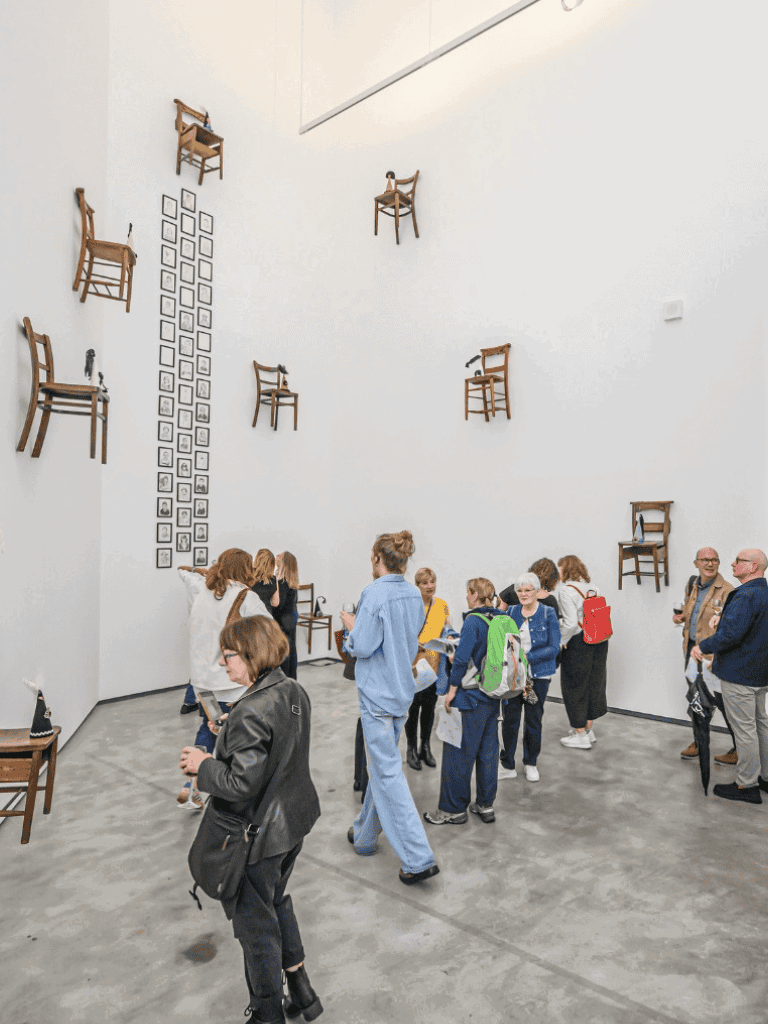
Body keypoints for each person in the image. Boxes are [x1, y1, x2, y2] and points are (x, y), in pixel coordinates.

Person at [180, 615, 322, 1024]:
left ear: (251, 654)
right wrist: (229, 730)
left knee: (256, 931)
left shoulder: (250, 711)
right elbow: (275, 742)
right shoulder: (291, 689)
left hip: (257, 838)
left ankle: (266, 1014)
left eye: (229, 656)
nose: (224, 664)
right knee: (276, 903)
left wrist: (204, 762)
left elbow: (240, 783)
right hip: (292, 825)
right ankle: (302, 992)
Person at [340, 531, 439, 885]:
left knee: (386, 774)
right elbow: (408, 639)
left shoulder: (374, 593)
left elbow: (363, 646)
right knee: (381, 768)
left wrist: (351, 629)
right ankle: (365, 836)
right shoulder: (414, 594)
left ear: (376, 558)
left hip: (377, 697)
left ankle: (418, 857)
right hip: (401, 693)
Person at [178, 549, 270, 807]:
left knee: (210, 729)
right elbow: (270, 630)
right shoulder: (245, 597)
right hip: (230, 684)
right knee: (239, 733)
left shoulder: (202, 595)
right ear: (245, 569)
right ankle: (238, 790)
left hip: (201, 684)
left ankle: (193, 786)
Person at [424, 577, 509, 825]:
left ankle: (453, 810)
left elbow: (461, 659)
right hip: (493, 697)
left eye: (467, 593)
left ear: (474, 595)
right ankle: (485, 805)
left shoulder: (473, 620)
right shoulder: (499, 619)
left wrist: (451, 690)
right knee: (488, 754)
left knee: (457, 754)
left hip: (469, 697)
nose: (466, 597)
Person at [692, 549, 768, 805]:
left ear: (753, 566)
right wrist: (723, 619)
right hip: (759, 673)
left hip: (740, 674)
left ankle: (747, 785)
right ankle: (765, 778)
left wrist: (702, 647)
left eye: (739, 561)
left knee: (745, 731)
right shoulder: (764, 593)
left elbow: (732, 636)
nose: (733, 564)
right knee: (760, 726)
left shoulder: (745, 595)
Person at [673, 547, 735, 763]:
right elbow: (694, 614)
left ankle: (739, 747)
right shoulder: (693, 585)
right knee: (696, 698)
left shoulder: (728, 591)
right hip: (691, 652)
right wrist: (682, 618)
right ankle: (699, 742)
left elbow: (730, 629)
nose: (710, 564)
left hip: (712, 657)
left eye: (714, 560)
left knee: (724, 702)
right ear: (696, 563)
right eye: (705, 560)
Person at [499, 573, 561, 782]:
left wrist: (527, 657)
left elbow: (554, 648)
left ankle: (530, 763)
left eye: (528, 590)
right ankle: (507, 764)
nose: (523, 594)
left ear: (537, 592)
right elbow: (503, 639)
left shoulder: (548, 613)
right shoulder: (512, 611)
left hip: (535, 679)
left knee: (533, 720)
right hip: (514, 678)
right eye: (520, 591)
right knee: (510, 721)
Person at [557, 555, 609, 750]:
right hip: (599, 640)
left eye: (560, 568)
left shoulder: (566, 591)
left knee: (574, 685)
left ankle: (580, 735)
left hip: (579, 642)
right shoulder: (594, 588)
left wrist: (561, 642)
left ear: (566, 570)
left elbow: (570, 623)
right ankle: (587, 728)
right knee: (594, 683)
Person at [404, 567, 451, 772]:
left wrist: (449, 638)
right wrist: (414, 643)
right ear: (418, 585)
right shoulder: (409, 606)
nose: (430, 586)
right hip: (413, 666)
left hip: (434, 666)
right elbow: (401, 634)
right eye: (425, 583)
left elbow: (447, 629)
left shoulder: (441, 606)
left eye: (432, 581)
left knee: (429, 709)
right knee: (413, 709)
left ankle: (425, 747)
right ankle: (411, 749)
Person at [252, 549, 299, 678]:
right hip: (288, 616)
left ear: (284, 562)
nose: (276, 555)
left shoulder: (282, 581)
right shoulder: (281, 579)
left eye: (279, 555)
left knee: (285, 649)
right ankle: (290, 677)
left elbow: (278, 604)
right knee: (289, 648)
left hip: (285, 618)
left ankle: (286, 678)